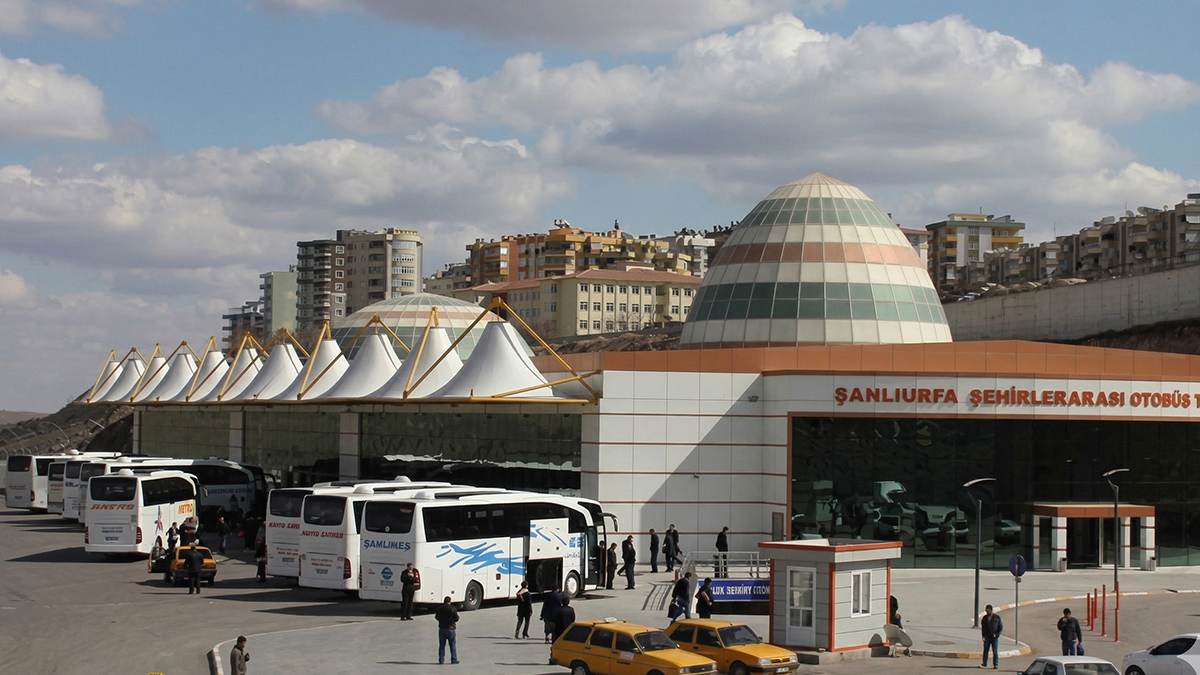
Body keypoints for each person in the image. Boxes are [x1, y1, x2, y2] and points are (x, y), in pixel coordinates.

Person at [435, 595, 460, 665]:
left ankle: (441, 660)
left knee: (442, 646)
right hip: (450, 629)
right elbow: (456, 618)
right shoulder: (452, 608)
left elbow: (436, 617)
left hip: (442, 628)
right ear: (450, 601)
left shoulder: (440, 608)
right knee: (452, 645)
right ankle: (454, 659)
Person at [981, 604, 1003, 669]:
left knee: (995, 651)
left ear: (991, 610)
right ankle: (984, 663)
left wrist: (997, 634)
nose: (987, 613)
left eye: (988, 611)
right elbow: (983, 628)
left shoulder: (997, 617)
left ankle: (995, 664)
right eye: (986, 611)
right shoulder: (984, 618)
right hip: (987, 637)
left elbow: (1000, 627)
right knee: (985, 651)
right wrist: (983, 636)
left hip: (994, 638)